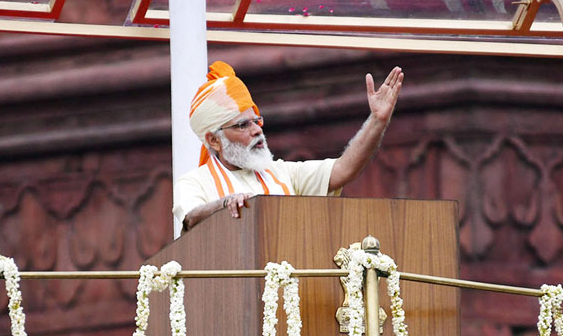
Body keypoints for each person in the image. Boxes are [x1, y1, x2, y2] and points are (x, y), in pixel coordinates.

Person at [173, 61, 404, 231]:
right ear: (214, 140)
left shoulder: (281, 173)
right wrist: (225, 204)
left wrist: (377, 121)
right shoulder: (194, 182)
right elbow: (190, 219)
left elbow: (344, 169)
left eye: (257, 120)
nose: (257, 130)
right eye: (243, 125)